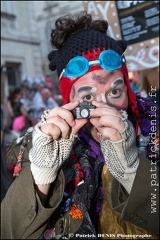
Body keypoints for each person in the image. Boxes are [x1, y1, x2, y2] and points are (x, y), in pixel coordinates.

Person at [1, 11, 159, 239]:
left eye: (115, 91)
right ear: (69, 101)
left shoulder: (154, 127)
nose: (106, 109)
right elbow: (8, 233)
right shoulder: (42, 147)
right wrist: (42, 176)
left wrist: (132, 170)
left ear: (128, 90)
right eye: (87, 98)